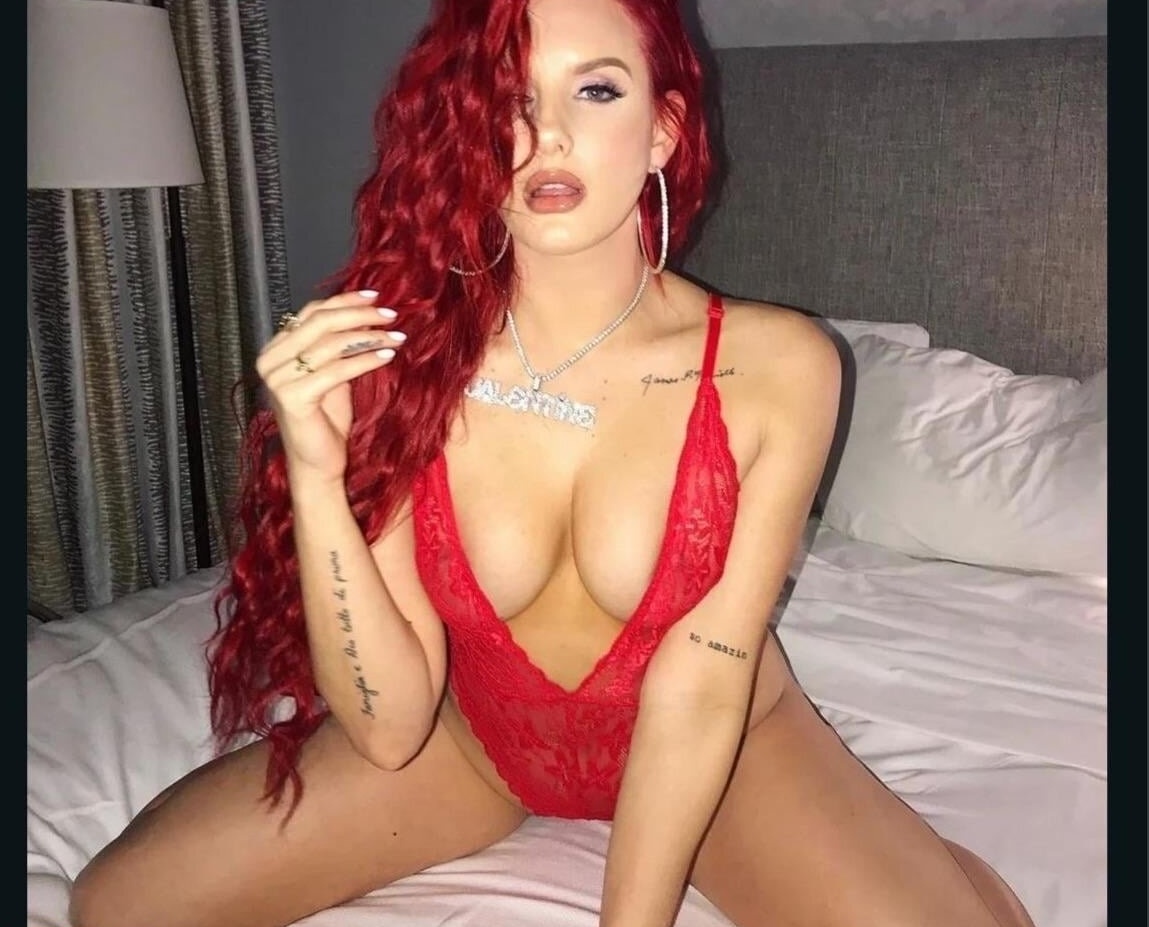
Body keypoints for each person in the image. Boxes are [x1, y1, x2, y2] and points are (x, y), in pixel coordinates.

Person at [69, 1, 1037, 926]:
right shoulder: (408, 360)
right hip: (479, 744)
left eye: (597, 91)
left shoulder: (777, 368)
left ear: (663, 131)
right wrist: (318, 476)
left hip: (723, 748)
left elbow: (700, 686)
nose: (548, 135)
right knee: (120, 904)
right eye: (511, 97)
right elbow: (390, 728)